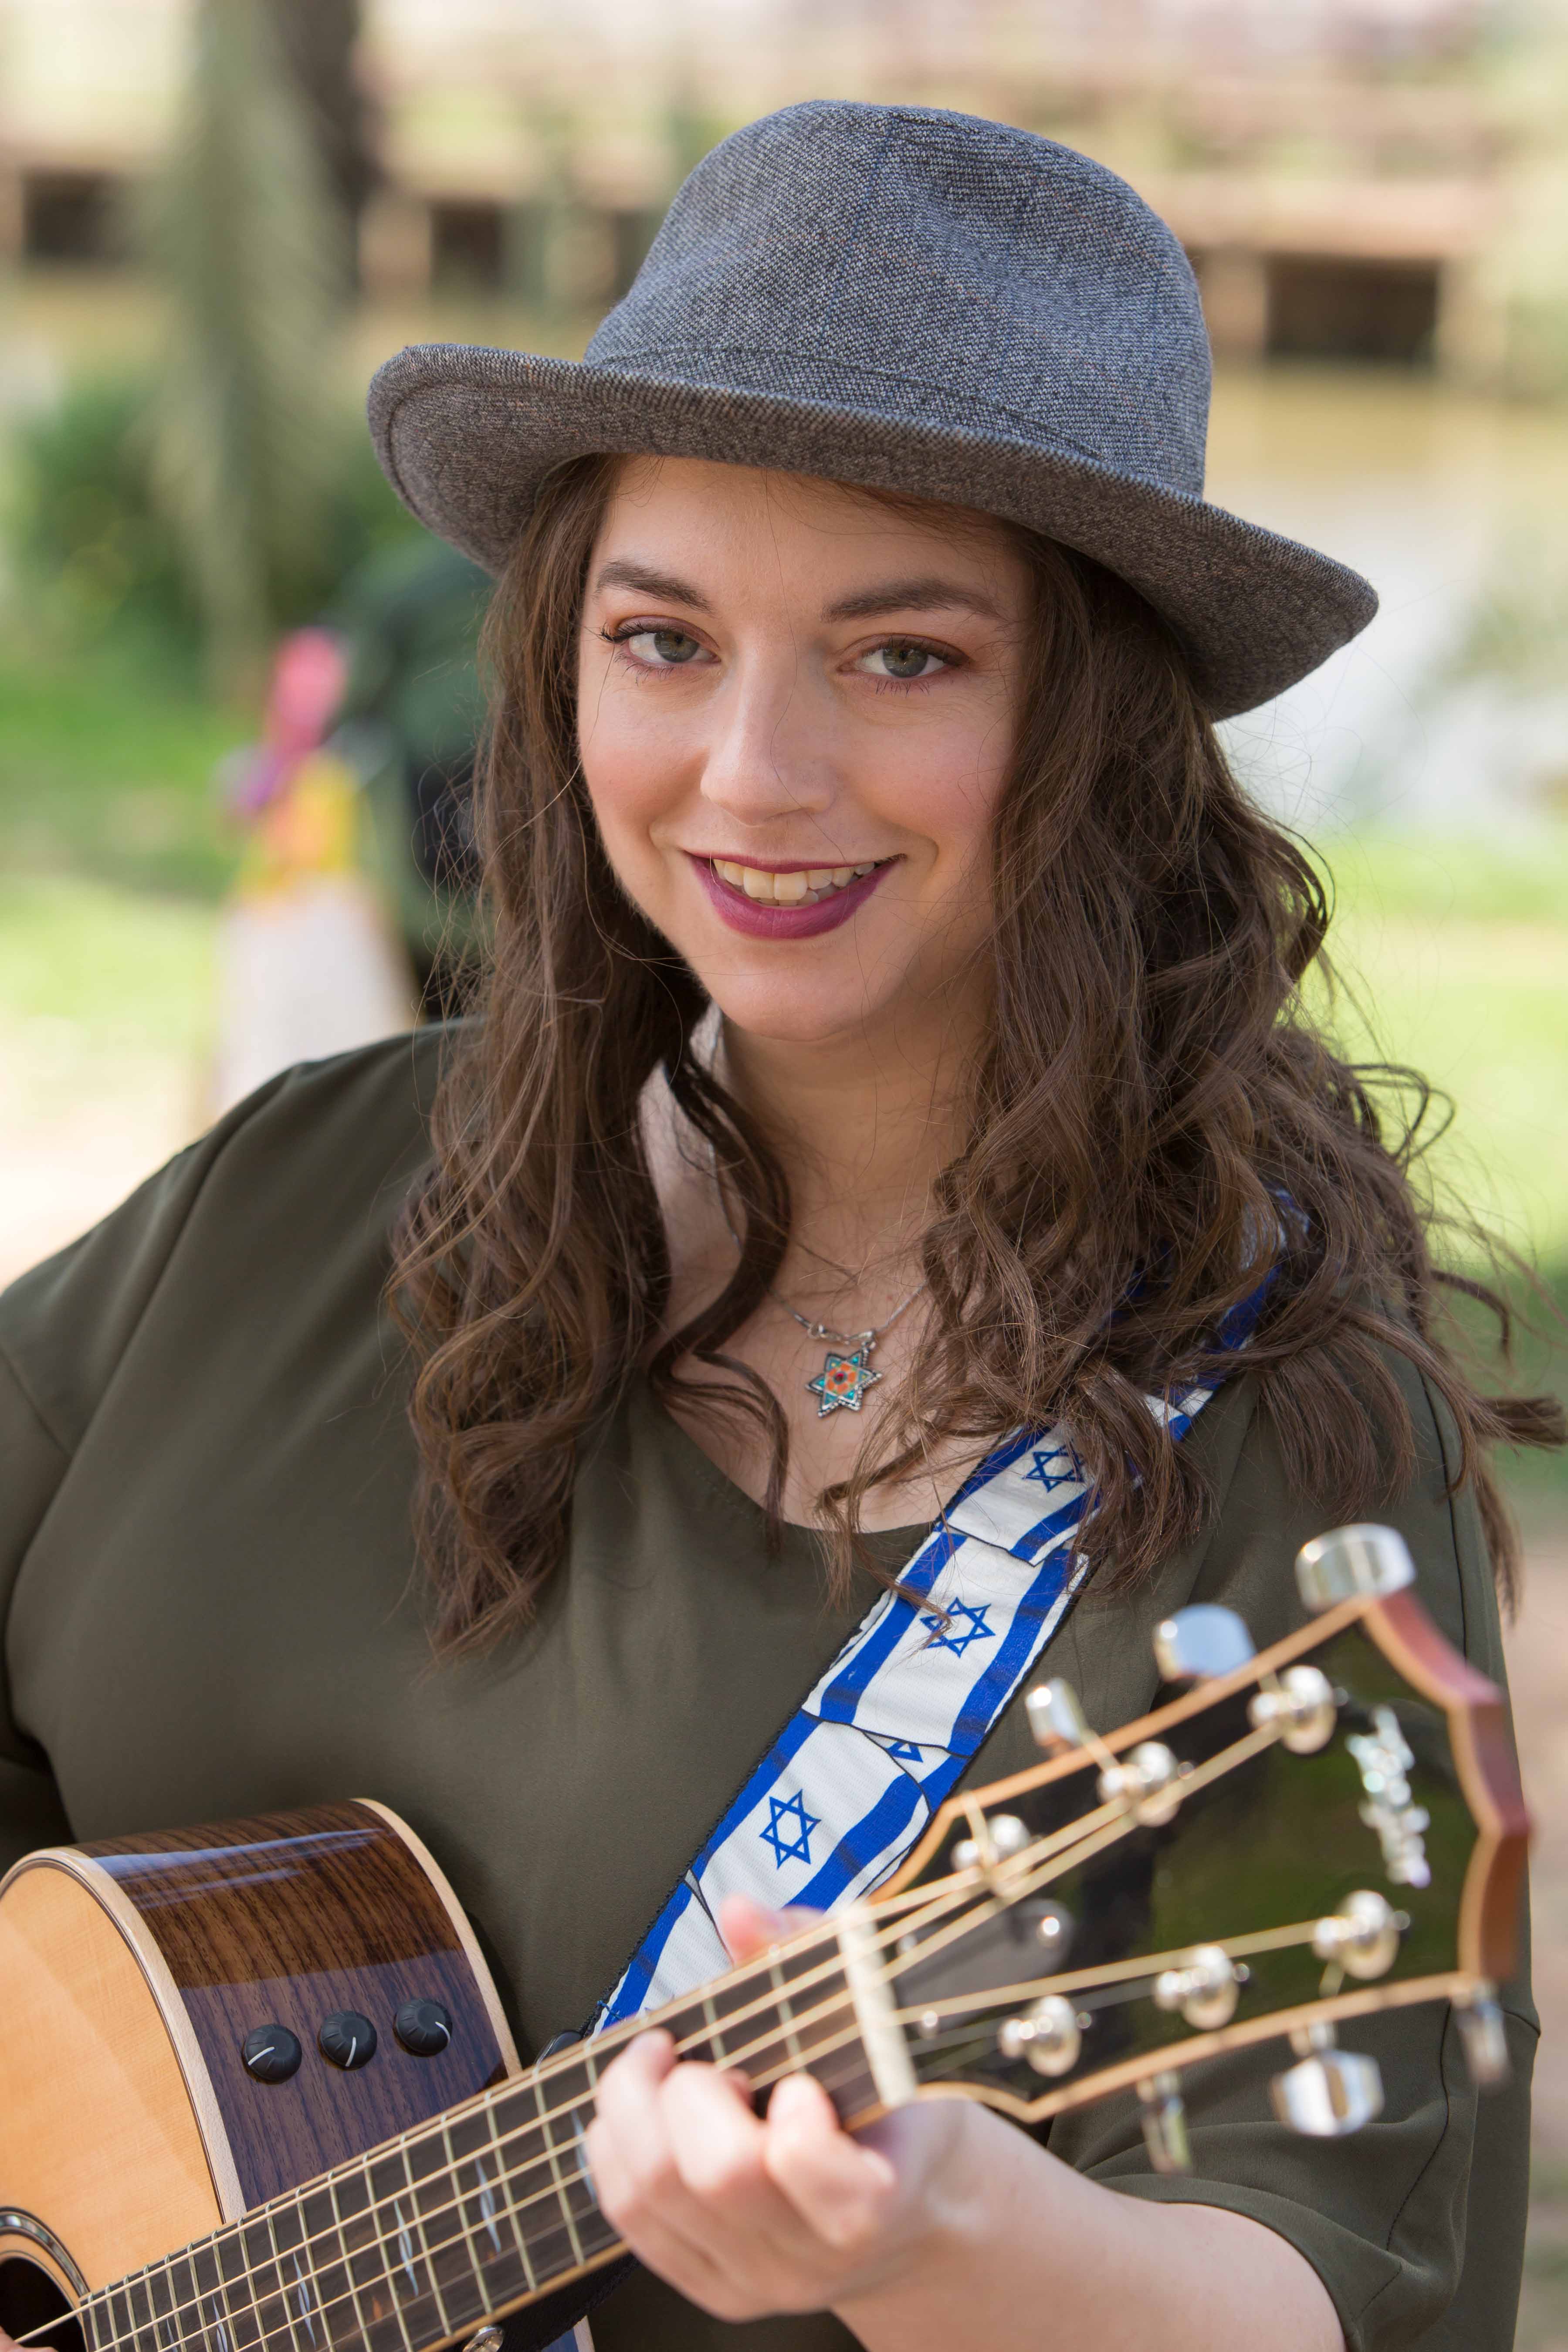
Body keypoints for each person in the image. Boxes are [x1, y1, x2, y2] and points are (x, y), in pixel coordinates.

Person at [0, 101, 1558, 2352]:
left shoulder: (1281, 1447)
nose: (749, 767)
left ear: (1092, 727)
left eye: (900, 653)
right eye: (662, 638)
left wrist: (940, 2245)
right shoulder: (314, 1190)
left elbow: (1310, 2280)